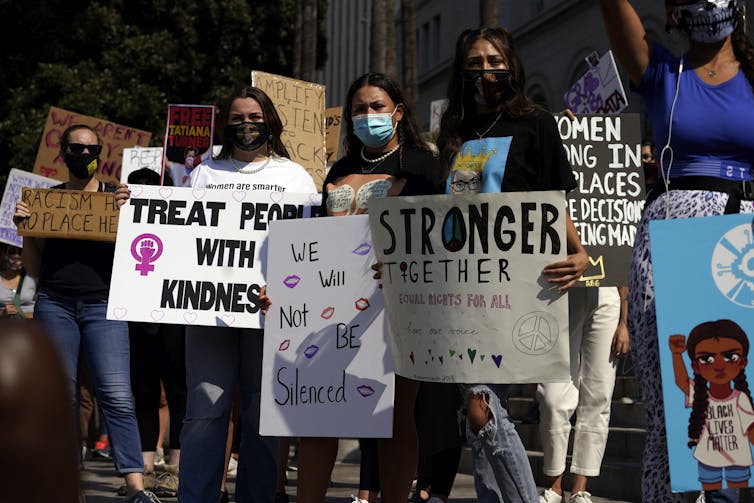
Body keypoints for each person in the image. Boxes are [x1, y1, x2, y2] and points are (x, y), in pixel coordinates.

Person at [599, 0, 754, 500]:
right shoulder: (663, 71)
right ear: (672, 11)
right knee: (682, 400)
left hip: (742, 247)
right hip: (673, 246)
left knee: (735, 399)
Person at [136, 86, 317, 503]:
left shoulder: (294, 177)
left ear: (270, 121)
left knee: (261, 414)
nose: (246, 125)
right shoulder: (204, 173)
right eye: (237, 119)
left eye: (255, 117)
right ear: (224, 125)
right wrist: (135, 206)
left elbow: (309, 247)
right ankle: (196, 496)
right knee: (205, 409)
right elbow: (176, 234)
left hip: (270, 314)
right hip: (209, 315)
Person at [436, 27, 589, 503]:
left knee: (483, 409)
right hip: (462, 288)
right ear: (462, 71)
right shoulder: (453, 133)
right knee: (479, 408)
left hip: (520, 286)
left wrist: (580, 252)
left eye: (495, 61)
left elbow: (552, 201)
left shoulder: (536, 123)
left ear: (512, 66)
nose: (486, 71)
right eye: (476, 62)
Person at [294, 72, 442, 503]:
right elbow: (315, 242)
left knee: (395, 416)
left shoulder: (425, 167)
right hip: (333, 308)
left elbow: (438, 237)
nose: (367, 115)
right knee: (320, 412)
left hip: (400, 306)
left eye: (377, 106)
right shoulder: (337, 171)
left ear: (398, 112)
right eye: (359, 108)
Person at [13, 124, 161, 503]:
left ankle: (136, 487)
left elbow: (144, 253)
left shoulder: (117, 199)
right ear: (63, 153)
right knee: (60, 397)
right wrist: (26, 229)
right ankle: (64, 483)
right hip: (55, 303)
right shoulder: (47, 201)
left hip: (104, 306)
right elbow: (32, 267)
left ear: (100, 152)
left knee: (116, 394)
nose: (83, 154)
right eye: (75, 148)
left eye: (90, 148)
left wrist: (133, 212)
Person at [123, 167, 187, 499]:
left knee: (178, 393)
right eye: (137, 188)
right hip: (138, 320)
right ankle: (145, 469)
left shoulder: (177, 224)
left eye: (151, 188)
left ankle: (173, 469)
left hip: (173, 321)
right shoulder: (122, 225)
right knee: (144, 394)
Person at [536, 285, 627, 503]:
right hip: (562, 289)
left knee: (599, 393)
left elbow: (622, 257)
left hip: (608, 292)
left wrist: (624, 321)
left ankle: (580, 489)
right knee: (553, 399)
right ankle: (555, 487)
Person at [669, 320, 754, 491]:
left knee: (740, 494)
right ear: (696, 366)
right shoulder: (700, 395)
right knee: (712, 495)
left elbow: (751, 429)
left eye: (730, 356)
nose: (719, 365)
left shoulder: (740, 398)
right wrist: (676, 355)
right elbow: (681, 381)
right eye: (707, 358)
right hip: (708, 458)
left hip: (738, 458)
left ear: (743, 362)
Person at [0, 243, 35, 319]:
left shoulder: (34, 278)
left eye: (21, 252)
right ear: (3, 254)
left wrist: (22, 315)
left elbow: (45, 310)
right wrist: (2, 313)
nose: (16, 256)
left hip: (29, 326)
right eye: (12, 251)